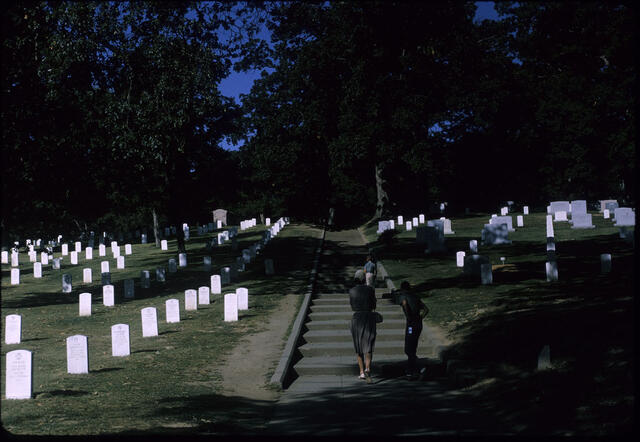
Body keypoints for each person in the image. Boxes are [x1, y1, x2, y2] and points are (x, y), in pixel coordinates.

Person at [394, 281, 429, 378]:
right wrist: (420, 317)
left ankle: (421, 368)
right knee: (412, 348)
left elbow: (404, 303)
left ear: (402, 288)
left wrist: (408, 316)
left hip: (411, 325)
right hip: (418, 324)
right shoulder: (415, 296)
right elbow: (426, 310)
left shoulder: (403, 296)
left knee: (408, 349)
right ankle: (411, 371)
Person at [349, 271, 378, 383]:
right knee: (368, 344)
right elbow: (374, 305)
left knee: (358, 346)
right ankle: (368, 368)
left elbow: (352, 306)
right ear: (363, 279)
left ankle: (361, 372)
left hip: (357, 318)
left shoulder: (351, 291)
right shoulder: (370, 289)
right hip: (369, 316)